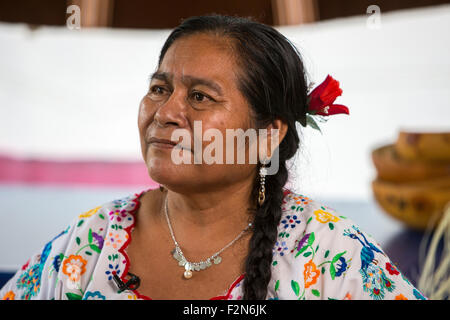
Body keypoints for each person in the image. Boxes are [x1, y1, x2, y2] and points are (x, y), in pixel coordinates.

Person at [1, 15, 426, 300]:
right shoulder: (88, 243)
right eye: (159, 88)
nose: (165, 113)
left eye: (201, 97)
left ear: (267, 135)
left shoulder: (331, 256)